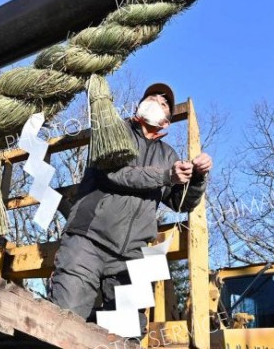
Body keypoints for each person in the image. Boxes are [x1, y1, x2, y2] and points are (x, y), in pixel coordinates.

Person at [49, 83, 212, 331]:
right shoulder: (113, 132)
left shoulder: (169, 155)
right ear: (139, 106)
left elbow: (182, 202)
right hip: (87, 242)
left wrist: (198, 177)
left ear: (166, 122)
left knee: (127, 333)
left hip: (131, 255)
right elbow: (115, 174)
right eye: (152, 96)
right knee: (65, 321)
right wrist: (167, 175)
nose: (157, 99)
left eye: (164, 102)